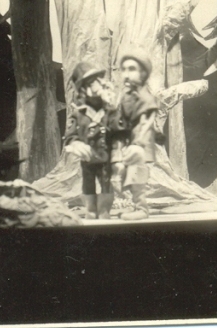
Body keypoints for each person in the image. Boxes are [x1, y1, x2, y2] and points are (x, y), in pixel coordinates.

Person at [64, 62, 115, 220]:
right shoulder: (79, 114)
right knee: (88, 183)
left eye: (97, 80)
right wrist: (75, 144)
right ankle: (91, 209)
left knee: (106, 182)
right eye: (90, 82)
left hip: (105, 157)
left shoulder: (109, 110)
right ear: (83, 89)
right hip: (88, 158)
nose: (96, 85)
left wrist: (112, 105)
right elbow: (70, 135)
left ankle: (104, 209)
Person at [113, 46, 159, 221]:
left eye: (131, 69)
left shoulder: (145, 97)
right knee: (127, 173)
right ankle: (132, 205)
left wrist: (138, 143)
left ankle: (142, 208)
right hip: (129, 141)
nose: (126, 74)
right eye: (123, 69)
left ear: (143, 73)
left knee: (136, 173)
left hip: (141, 142)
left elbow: (146, 123)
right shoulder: (126, 96)